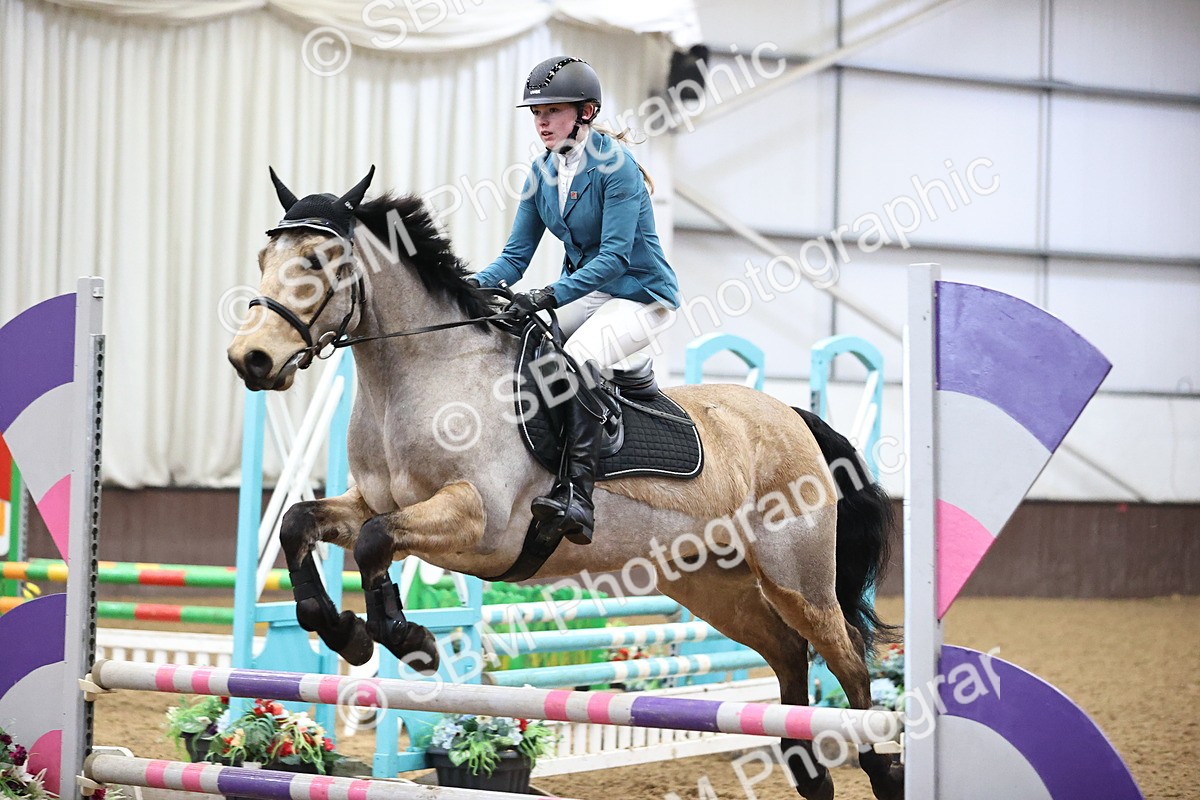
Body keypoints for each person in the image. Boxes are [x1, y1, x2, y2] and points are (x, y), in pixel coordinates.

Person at [471, 55, 681, 545]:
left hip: (640, 295)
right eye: (536, 113)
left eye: (553, 111)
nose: (541, 122)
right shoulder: (543, 172)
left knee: (577, 361)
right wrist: (467, 289)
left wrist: (549, 294)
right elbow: (514, 257)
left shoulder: (617, 168)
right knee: (520, 344)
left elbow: (614, 258)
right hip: (590, 292)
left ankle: (578, 497)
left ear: (586, 112)